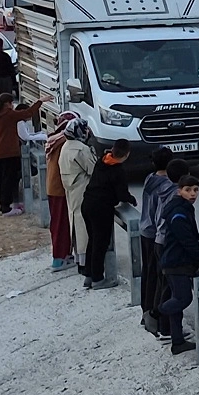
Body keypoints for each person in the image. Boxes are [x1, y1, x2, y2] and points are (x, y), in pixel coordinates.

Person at [158, 174, 199, 355]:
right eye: (188, 190)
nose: (193, 194)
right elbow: (186, 240)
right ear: (179, 191)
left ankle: (177, 342)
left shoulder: (182, 208)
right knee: (183, 299)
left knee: (177, 301)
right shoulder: (179, 212)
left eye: (195, 190)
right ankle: (157, 312)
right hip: (177, 262)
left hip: (175, 261)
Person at [80, 139, 135, 289]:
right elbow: (122, 194)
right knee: (101, 243)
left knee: (92, 240)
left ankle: (89, 275)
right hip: (101, 209)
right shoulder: (118, 171)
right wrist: (131, 199)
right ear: (127, 154)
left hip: (87, 203)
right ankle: (98, 279)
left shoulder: (102, 161)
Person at [137, 148, 178, 335]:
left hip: (145, 230)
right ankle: (156, 320)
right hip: (156, 234)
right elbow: (161, 215)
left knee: (147, 274)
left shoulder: (149, 179)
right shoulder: (167, 186)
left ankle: (145, 312)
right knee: (158, 278)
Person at [0, 92, 46, 214]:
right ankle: (7, 209)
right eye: (12, 103)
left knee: (1, 181)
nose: (13, 105)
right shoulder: (9, 114)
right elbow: (28, 113)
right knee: (9, 180)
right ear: (7, 104)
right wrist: (40, 101)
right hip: (10, 153)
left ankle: (4, 205)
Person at [59, 117, 97, 276]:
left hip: (71, 190)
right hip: (82, 190)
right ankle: (85, 262)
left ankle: (79, 259)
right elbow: (93, 169)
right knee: (83, 227)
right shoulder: (81, 149)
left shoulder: (65, 147)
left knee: (74, 223)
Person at [43, 114, 80, 271]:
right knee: (61, 225)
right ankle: (58, 258)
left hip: (53, 187)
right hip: (60, 188)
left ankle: (64, 254)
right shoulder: (64, 141)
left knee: (60, 224)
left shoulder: (54, 139)